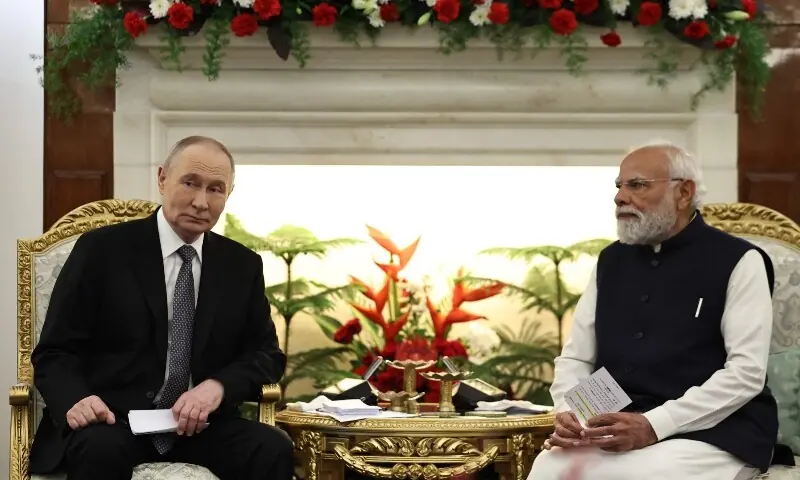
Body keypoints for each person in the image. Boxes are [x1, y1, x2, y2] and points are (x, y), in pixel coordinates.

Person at [29, 136, 293, 480]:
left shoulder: (241, 265)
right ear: (162, 179)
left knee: (272, 447)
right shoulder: (102, 250)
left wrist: (217, 387)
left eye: (216, 189)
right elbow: (54, 351)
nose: (201, 202)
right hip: (113, 419)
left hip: (197, 425)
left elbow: (265, 354)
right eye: (190, 183)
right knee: (98, 450)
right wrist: (77, 400)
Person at [528, 142, 780, 480]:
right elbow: (576, 358)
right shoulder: (610, 260)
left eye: (637, 185)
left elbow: (745, 373)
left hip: (715, 429)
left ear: (683, 192)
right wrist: (571, 413)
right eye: (619, 186)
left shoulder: (740, 260)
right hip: (619, 422)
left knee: (636, 474)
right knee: (552, 466)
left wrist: (654, 425)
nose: (620, 197)